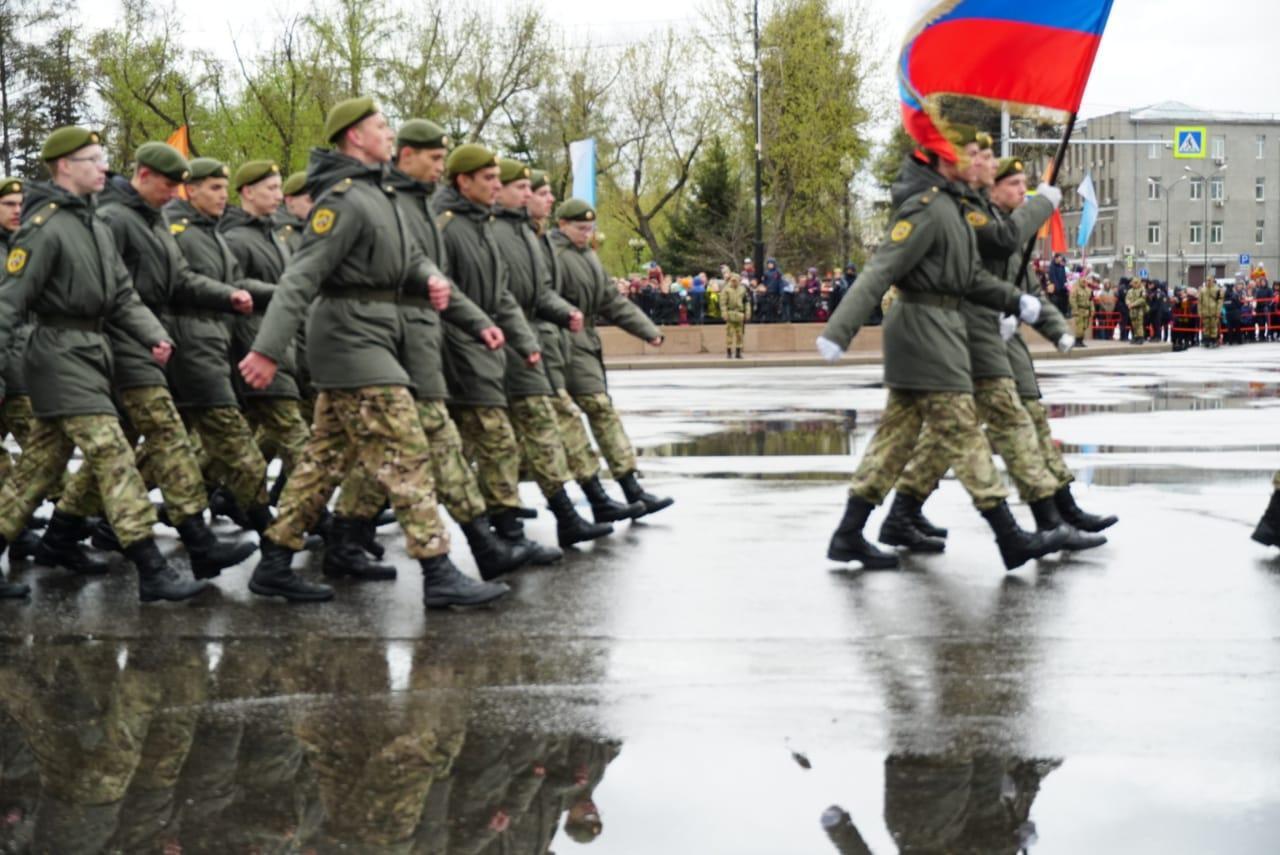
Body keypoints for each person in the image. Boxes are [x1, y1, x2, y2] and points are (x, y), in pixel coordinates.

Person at [238, 95, 508, 608]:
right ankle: (438, 571)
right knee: (406, 452)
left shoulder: (378, 196)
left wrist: (446, 294)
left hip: (373, 338)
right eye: (381, 126)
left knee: (321, 460)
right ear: (355, 137)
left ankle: (274, 561)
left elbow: (411, 261)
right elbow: (301, 278)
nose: (390, 133)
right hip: (351, 341)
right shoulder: (341, 201)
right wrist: (268, 349)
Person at [815, 127, 1069, 571]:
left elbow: (969, 278)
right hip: (923, 333)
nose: (979, 161)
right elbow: (881, 269)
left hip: (938, 331)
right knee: (964, 432)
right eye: (970, 154)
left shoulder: (952, 208)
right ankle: (1009, 537)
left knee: (894, 440)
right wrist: (840, 330)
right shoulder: (928, 211)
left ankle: (848, 533)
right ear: (942, 161)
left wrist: (1016, 301)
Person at [0, 126, 210, 601]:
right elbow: (10, 304)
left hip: (92, 353)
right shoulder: (46, 226)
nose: (104, 166)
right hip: (57, 354)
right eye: (93, 159)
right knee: (114, 454)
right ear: (65, 167)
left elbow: (122, 295)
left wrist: (153, 335)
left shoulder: (93, 223)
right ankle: (151, 569)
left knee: (40, 467)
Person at [328, 120, 538, 581]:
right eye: (435, 159)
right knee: (412, 454)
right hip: (405, 348)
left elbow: (466, 287)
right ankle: (470, 550)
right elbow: (400, 283)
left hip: (425, 346)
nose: (500, 189)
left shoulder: (436, 213)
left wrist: (489, 328)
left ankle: (343, 538)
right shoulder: (405, 207)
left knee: (385, 454)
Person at [52, 141, 257, 578]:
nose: (173, 194)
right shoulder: (116, 220)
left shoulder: (154, 219)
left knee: (116, 449)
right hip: (125, 342)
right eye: (168, 184)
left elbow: (179, 279)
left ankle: (60, 536)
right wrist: (140, 335)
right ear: (143, 175)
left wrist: (229, 295)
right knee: (168, 437)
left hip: (148, 337)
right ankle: (199, 542)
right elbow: (110, 291)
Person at [882, 151, 1102, 556]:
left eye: (1025, 186)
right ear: (995, 189)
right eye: (1015, 185)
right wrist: (1041, 204)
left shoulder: (1004, 226)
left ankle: (1057, 509)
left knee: (1015, 422)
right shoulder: (982, 223)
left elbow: (1029, 288)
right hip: (970, 337)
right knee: (992, 427)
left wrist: (1055, 329)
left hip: (999, 337)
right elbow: (970, 274)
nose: (1023, 190)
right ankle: (1046, 518)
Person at [489, 158, 640, 538]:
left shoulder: (528, 236)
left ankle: (546, 515)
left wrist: (646, 330)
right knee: (499, 435)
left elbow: (541, 293)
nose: (544, 198)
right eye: (534, 191)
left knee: (528, 431)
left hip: (541, 342)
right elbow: (503, 295)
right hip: (512, 343)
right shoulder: (499, 232)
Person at [162, 157, 277, 537]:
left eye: (222, 188)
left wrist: (267, 294)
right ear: (189, 189)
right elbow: (182, 280)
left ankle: (98, 527)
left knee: (189, 445)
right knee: (236, 445)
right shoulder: (180, 229)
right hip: (192, 343)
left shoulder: (209, 230)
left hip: (215, 342)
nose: (220, 196)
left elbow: (237, 279)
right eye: (212, 188)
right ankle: (272, 535)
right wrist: (229, 295)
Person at [548, 199, 674, 516]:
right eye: (580, 228)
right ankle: (594, 496)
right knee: (567, 422)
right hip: (560, 344)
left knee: (603, 413)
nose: (586, 233)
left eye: (590, 228)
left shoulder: (587, 257)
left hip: (584, 345)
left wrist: (647, 330)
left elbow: (611, 302)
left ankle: (631, 487)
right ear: (562, 225)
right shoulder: (552, 254)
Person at [220, 160, 312, 513]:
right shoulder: (235, 238)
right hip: (253, 344)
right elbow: (233, 284)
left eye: (280, 187)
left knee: (251, 438)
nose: (278, 195)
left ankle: (227, 497)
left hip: (284, 345)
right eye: (271, 188)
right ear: (247, 191)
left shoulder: (274, 237)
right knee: (296, 437)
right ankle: (310, 518)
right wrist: (284, 290)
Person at [721, 270, 750, 358]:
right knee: (729, 333)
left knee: (740, 334)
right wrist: (724, 313)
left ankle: (738, 351)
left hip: (740, 313)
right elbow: (723, 303)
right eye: (733, 280)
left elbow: (746, 302)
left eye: (736, 280)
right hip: (730, 313)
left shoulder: (743, 289)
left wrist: (748, 312)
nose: (734, 282)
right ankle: (729, 351)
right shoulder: (726, 289)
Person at [1069, 273, 1094, 346]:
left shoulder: (1089, 290)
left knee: (1084, 326)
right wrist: (1075, 310)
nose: (1084, 282)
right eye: (1083, 281)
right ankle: (1077, 341)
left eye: (1085, 281)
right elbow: (1072, 300)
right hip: (1079, 310)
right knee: (1079, 326)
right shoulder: (1075, 289)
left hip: (1086, 311)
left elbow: (1091, 300)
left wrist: (1092, 309)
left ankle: (1081, 340)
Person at [1199, 276, 1223, 346]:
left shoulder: (1217, 290)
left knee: (1214, 327)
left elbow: (1220, 301)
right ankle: (1206, 341)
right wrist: (1200, 312)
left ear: (1213, 280)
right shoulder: (1202, 290)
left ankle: (1214, 341)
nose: (1208, 282)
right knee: (1206, 327)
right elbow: (1200, 302)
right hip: (1205, 311)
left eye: (1209, 280)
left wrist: (1218, 311)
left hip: (1214, 311)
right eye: (1207, 280)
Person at [1126, 279, 1148, 345]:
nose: (1134, 284)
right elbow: (1127, 298)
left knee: (1139, 324)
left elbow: (1142, 300)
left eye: (1135, 283)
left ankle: (1140, 337)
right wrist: (1128, 303)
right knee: (1133, 324)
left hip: (1139, 309)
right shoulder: (1130, 291)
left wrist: (1133, 304)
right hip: (1132, 310)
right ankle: (1135, 336)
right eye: (1133, 283)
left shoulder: (1142, 290)